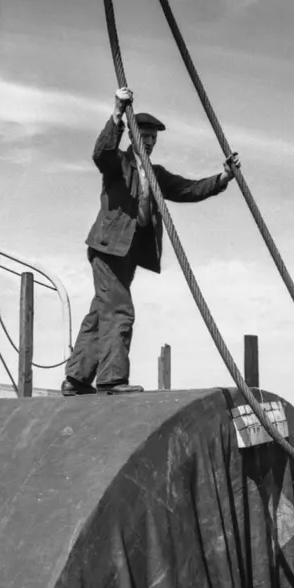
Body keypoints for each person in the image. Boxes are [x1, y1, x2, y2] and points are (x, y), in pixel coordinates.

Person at [62, 87, 238, 395]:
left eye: (154, 138)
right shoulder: (118, 162)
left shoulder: (156, 174)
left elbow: (188, 189)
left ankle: (76, 379)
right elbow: (101, 153)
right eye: (144, 136)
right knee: (120, 310)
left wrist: (223, 178)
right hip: (108, 249)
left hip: (127, 254)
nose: (150, 141)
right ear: (132, 135)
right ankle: (112, 379)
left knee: (101, 313)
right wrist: (117, 113)